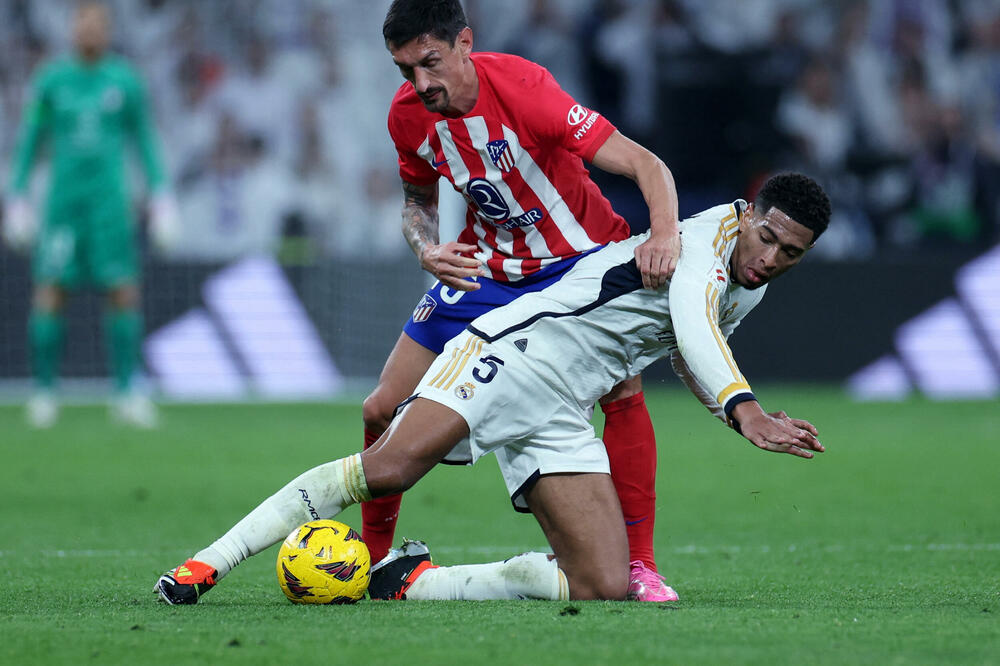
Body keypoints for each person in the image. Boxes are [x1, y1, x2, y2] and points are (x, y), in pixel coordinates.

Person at [153, 172, 830, 604]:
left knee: (597, 584)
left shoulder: (748, 282)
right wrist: (746, 411)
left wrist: (741, 413)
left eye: (791, 254)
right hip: (516, 351)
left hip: (565, 404)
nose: (770, 259)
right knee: (387, 469)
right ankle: (207, 564)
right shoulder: (705, 240)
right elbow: (690, 316)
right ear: (747, 212)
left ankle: (411, 583)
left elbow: (689, 349)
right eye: (766, 238)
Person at [361, 0, 681, 601]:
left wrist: (663, 233)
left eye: (430, 63)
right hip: (486, 270)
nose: (421, 84)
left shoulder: (527, 89)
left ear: (464, 43)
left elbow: (646, 164)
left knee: (623, 393)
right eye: (406, 71)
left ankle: (641, 565)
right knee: (380, 409)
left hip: (577, 264)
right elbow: (417, 204)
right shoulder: (408, 117)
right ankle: (370, 562)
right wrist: (426, 249)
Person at [2, 2, 177, 428]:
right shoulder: (52, 80)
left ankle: (126, 394)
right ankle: (44, 394)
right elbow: (30, 141)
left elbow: (144, 141)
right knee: (50, 291)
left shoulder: (124, 81)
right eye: (83, 22)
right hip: (63, 206)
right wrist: (17, 197)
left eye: (98, 24)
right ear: (71, 27)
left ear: (109, 30)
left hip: (109, 208)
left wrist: (161, 194)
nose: (90, 30)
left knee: (122, 291)